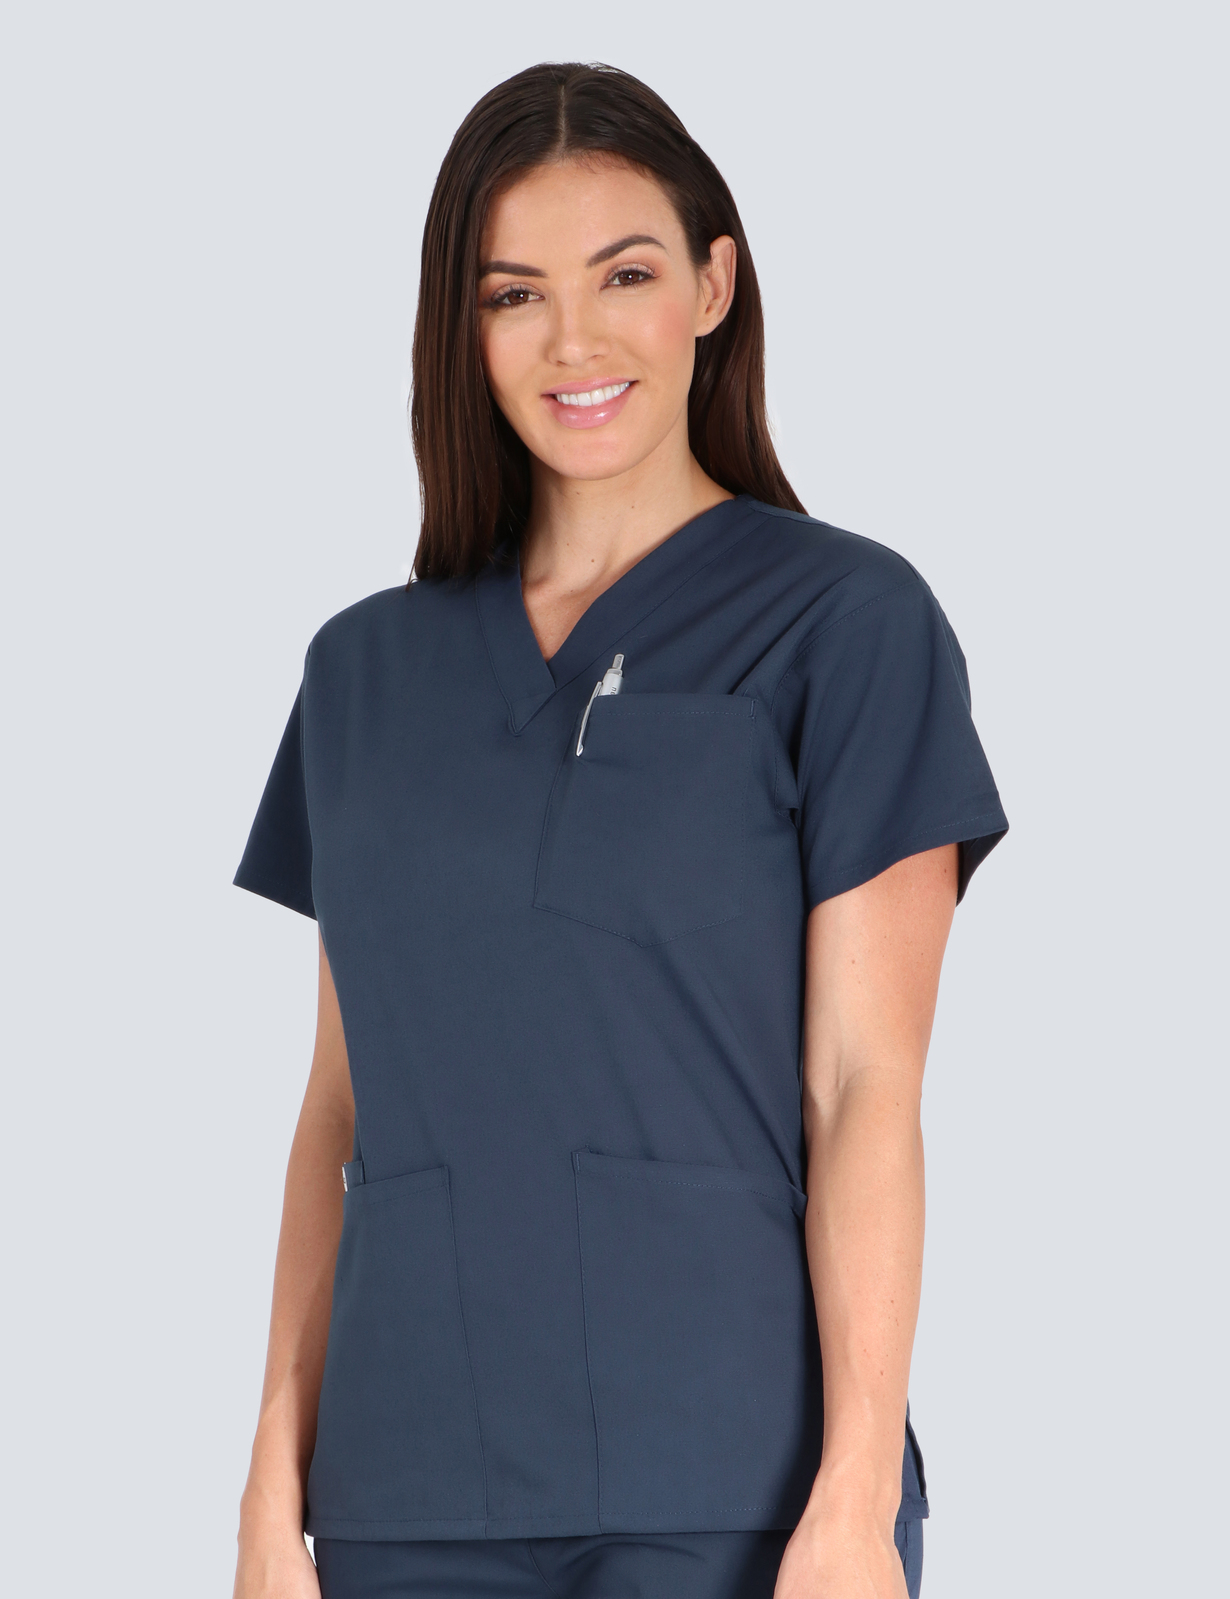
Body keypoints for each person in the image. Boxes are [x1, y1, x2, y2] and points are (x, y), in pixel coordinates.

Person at [230, 61, 1007, 1599]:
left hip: (727, 1481)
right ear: (462, 330)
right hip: (402, 1489)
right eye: (513, 294)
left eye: (624, 275)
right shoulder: (361, 672)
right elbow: (338, 1110)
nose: (571, 340)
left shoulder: (843, 623)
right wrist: (270, 1484)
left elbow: (863, 1087)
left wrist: (853, 1498)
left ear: (713, 286)